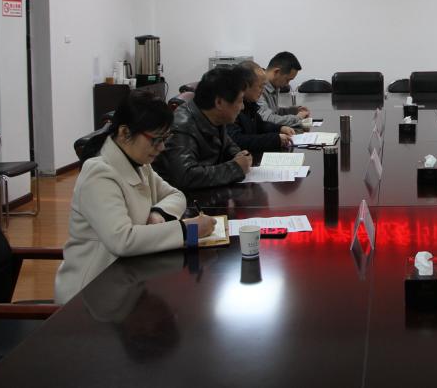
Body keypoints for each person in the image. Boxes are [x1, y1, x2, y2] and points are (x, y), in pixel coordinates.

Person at [55, 91, 216, 305]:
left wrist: (158, 213)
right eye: (156, 139)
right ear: (124, 132)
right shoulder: (99, 173)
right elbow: (122, 240)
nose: (162, 147)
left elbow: (175, 195)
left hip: (127, 280)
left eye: (165, 139)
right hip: (90, 295)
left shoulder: (139, 163)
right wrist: (188, 229)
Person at [154, 65, 255, 190]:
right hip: (182, 197)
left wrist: (239, 155)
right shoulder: (182, 126)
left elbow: (228, 145)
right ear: (219, 102)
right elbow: (185, 176)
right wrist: (235, 168)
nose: (243, 107)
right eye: (240, 101)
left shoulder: (215, 117)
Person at [228, 60, 296, 157]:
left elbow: (260, 125)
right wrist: (275, 139)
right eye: (260, 86)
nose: (262, 90)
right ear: (245, 86)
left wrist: (280, 128)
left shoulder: (249, 103)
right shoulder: (231, 107)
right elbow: (237, 140)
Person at [258, 51, 311, 129]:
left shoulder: (274, 86)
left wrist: (294, 110)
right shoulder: (258, 87)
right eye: (287, 79)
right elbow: (267, 120)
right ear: (277, 72)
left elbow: (274, 112)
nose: (287, 84)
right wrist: (298, 118)